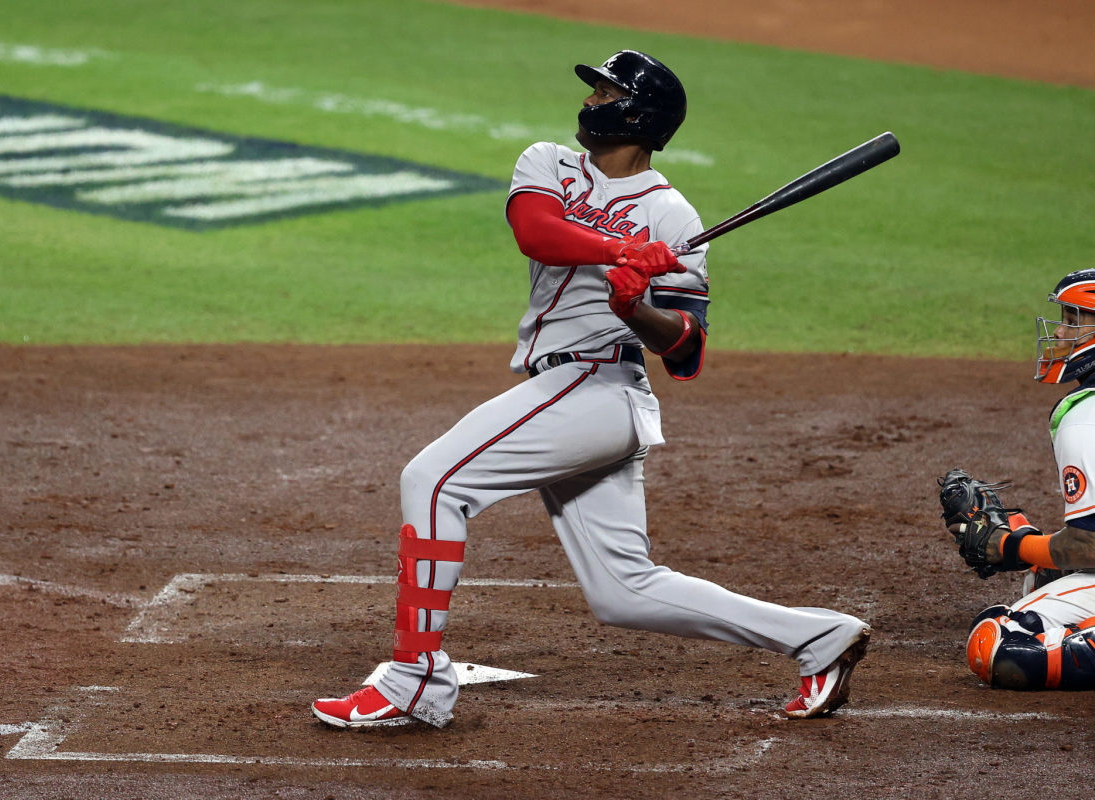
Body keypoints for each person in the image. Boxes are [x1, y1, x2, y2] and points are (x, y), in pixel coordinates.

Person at [311, 50, 871, 729]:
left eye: (605, 91)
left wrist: (638, 308)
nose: (589, 100)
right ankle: (818, 637)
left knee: (433, 481)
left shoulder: (673, 217)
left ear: (639, 113)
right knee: (623, 591)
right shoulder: (547, 161)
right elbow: (536, 233)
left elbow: (686, 353)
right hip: (569, 392)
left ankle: (415, 676)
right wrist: (618, 254)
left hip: (601, 389)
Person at [945, 268, 1095, 690]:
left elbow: (1092, 545)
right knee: (1045, 577)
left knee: (998, 645)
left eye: (1073, 319)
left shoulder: (1085, 417)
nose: (1061, 332)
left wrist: (1010, 544)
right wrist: (1031, 549)